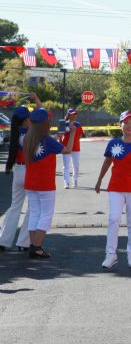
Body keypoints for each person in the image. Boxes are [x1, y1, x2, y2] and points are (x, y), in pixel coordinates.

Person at [95, 110, 131, 269]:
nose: (129, 125)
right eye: (126, 122)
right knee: (114, 219)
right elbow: (107, 162)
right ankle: (110, 255)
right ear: (120, 125)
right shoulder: (113, 143)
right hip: (116, 187)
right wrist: (100, 179)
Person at [23, 108, 75, 259]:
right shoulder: (48, 141)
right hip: (45, 184)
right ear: (44, 123)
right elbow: (68, 150)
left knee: (34, 213)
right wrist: (71, 133)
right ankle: (37, 247)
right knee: (45, 215)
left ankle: (33, 246)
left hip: (30, 183)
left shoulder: (27, 138)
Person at [0, 93, 42, 251]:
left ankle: (3, 240)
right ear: (27, 119)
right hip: (30, 171)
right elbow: (43, 113)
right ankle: (24, 242)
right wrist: (36, 99)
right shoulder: (33, 132)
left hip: (18, 170)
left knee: (14, 206)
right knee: (33, 208)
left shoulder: (15, 133)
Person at [59, 108, 84, 189]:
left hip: (76, 148)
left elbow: (80, 135)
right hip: (65, 147)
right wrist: (61, 142)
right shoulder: (63, 123)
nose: (74, 115)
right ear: (69, 115)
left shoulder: (78, 124)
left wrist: (75, 141)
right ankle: (66, 182)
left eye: (75, 114)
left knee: (76, 166)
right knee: (66, 166)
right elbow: (60, 135)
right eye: (73, 114)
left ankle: (75, 180)